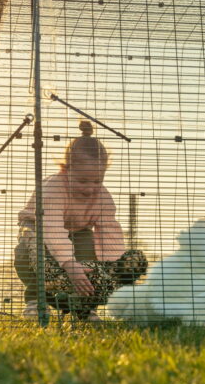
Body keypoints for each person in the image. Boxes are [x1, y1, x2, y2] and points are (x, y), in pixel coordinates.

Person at [14, 120, 142, 321]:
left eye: (97, 181)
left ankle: (84, 306)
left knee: (88, 247)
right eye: (83, 181)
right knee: (35, 254)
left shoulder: (103, 197)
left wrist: (111, 268)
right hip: (38, 227)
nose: (90, 188)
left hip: (77, 229)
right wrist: (68, 263)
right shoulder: (54, 188)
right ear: (66, 170)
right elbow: (53, 227)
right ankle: (35, 300)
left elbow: (109, 231)